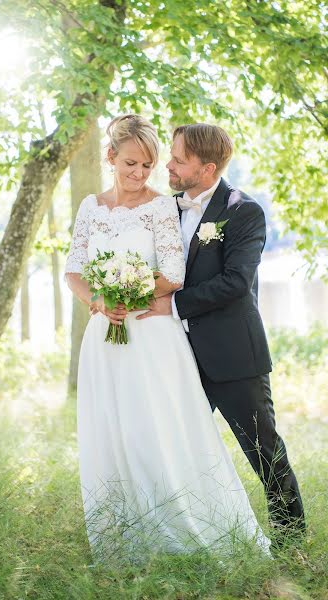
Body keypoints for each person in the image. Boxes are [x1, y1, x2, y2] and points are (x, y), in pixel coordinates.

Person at [65, 114, 270, 563]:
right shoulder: (89, 207)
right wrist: (100, 301)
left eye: (150, 165)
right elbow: (74, 270)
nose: (140, 174)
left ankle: (180, 526)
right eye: (131, 164)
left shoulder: (163, 207)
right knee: (112, 432)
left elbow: (174, 275)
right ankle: (122, 535)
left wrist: (126, 292)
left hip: (152, 337)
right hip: (104, 337)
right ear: (111, 158)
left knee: (155, 431)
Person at [137, 123, 305, 545]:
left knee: (264, 452)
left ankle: (291, 543)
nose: (168, 166)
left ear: (207, 167)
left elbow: (234, 283)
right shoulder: (163, 209)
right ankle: (180, 537)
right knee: (171, 449)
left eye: (178, 159)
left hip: (232, 357)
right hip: (174, 354)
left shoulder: (243, 211)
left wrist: (171, 305)